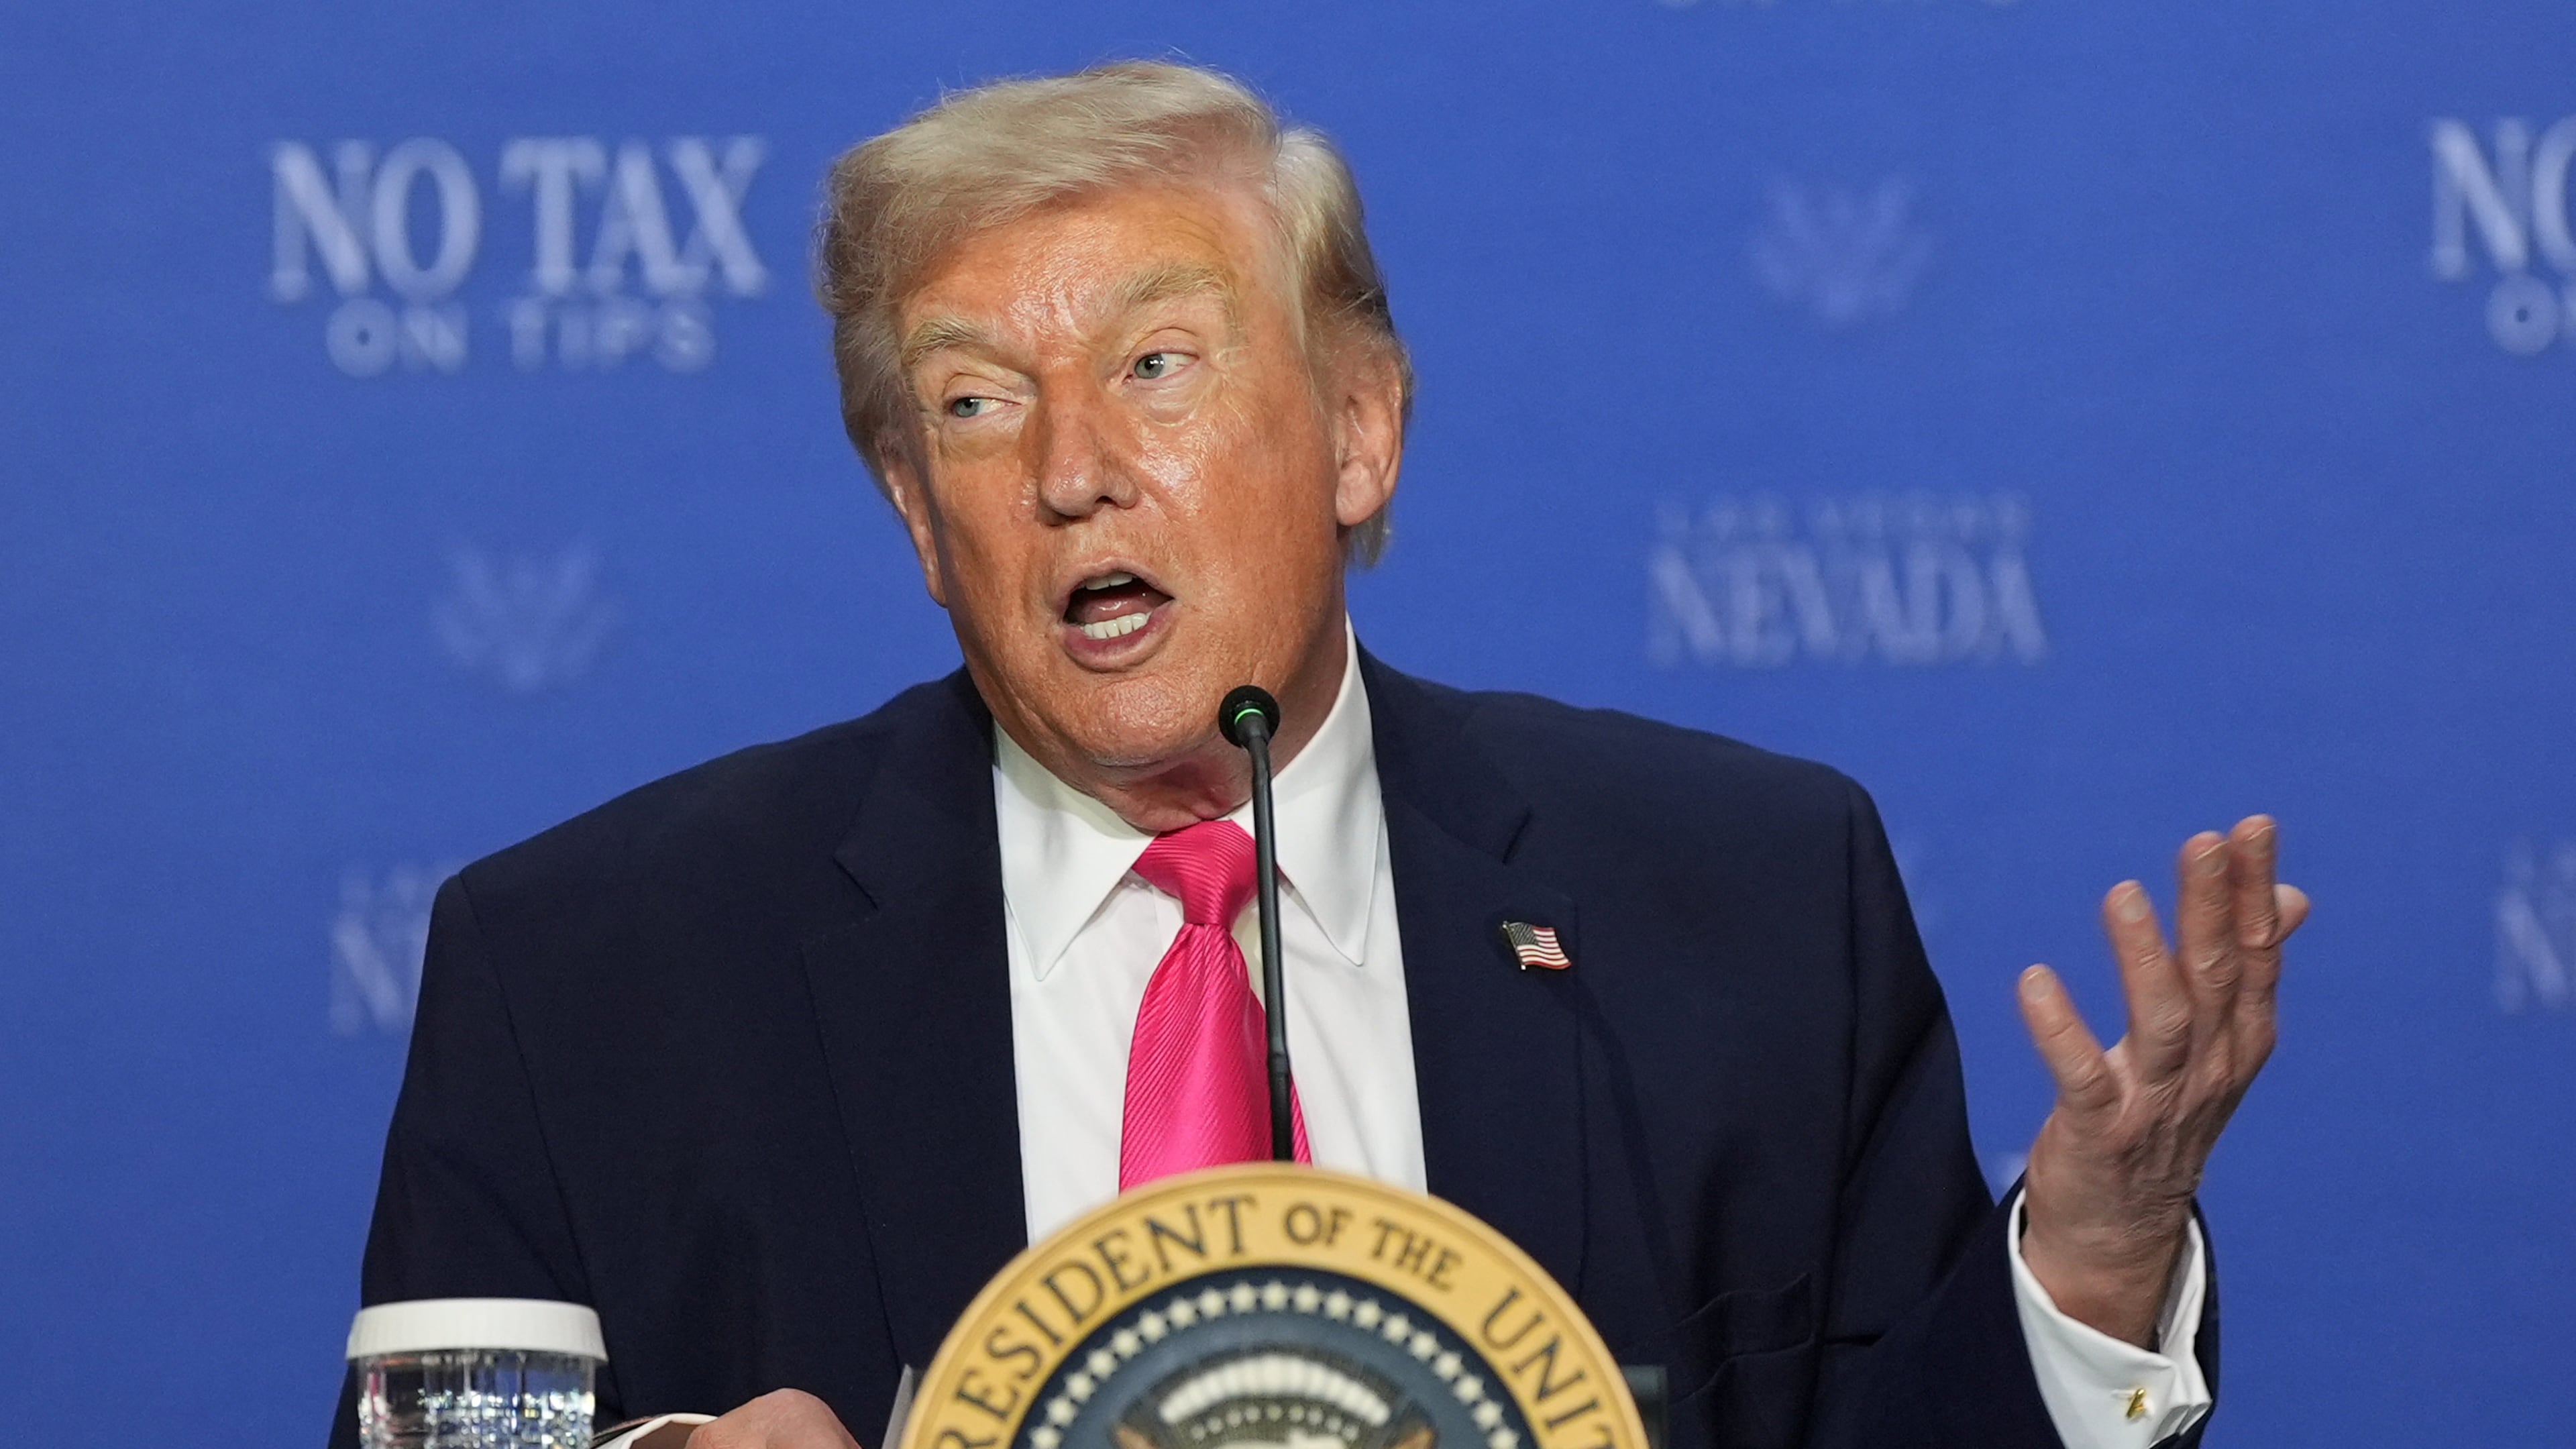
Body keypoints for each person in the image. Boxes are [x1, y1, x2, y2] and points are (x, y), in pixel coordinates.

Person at [333, 62, 2308, 1449]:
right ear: (918, 520)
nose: (1072, 467)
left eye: (1158, 364)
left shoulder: (1753, 905)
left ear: (1360, 430)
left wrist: (2099, 1261)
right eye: (972, 401)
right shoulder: (587, 971)